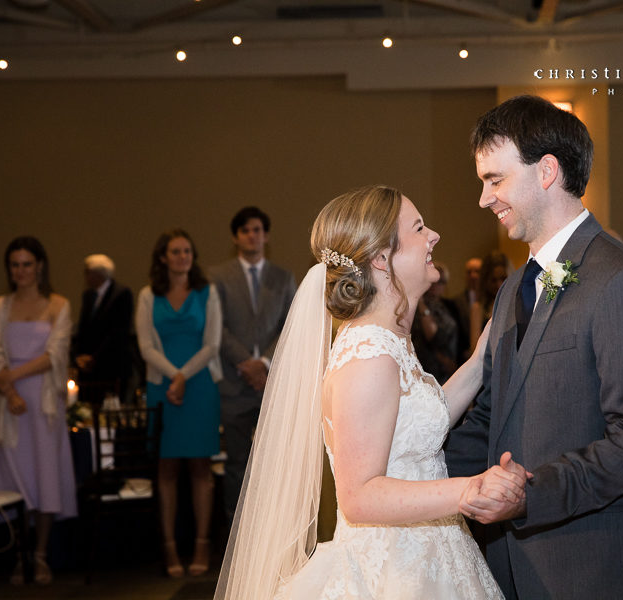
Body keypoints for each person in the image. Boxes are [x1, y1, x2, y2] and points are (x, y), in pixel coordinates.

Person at [215, 185, 529, 600]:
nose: (433, 236)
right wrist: (469, 489)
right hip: (391, 574)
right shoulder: (368, 356)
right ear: (382, 258)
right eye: (418, 228)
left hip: (433, 553)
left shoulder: (388, 341)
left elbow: (421, 421)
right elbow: (360, 495)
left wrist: (480, 359)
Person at [444, 95, 623, 599]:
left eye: (495, 180)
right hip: (511, 565)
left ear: (547, 171)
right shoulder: (514, 288)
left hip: (597, 565)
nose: (484, 199)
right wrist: (414, 475)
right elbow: (492, 416)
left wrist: (527, 497)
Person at [0, 236, 77, 585]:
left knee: (44, 476)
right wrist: (7, 391)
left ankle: (40, 556)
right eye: (15, 265)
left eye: (27, 264)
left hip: (43, 404)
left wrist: (14, 378)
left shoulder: (58, 305)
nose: (21, 271)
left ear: (39, 265)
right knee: (13, 479)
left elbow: (56, 354)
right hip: (9, 407)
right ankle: (19, 555)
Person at [136, 229, 222, 578]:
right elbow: (145, 346)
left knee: (201, 469)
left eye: (187, 251)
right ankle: (170, 548)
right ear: (162, 257)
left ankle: (202, 544)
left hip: (200, 386)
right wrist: (174, 377)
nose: (182, 257)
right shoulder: (147, 295)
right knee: (167, 470)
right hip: (163, 388)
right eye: (175, 251)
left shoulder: (207, 292)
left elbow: (212, 344)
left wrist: (184, 376)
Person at [209, 206, 296, 522]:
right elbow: (216, 327)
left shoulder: (283, 277)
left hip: (273, 381)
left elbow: (292, 323)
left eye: (257, 230)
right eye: (245, 230)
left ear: (266, 236)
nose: (252, 235)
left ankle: (275, 524)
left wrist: (264, 362)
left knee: (276, 459)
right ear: (236, 237)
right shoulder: (217, 277)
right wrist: (247, 363)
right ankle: (236, 527)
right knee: (236, 461)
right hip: (234, 381)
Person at [72, 254, 134, 405]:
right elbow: (83, 329)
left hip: (111, 366)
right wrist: (78, 356)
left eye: (87, 272)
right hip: (88, 370)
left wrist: (94, 358)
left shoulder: (121, 294)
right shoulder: (88, 295)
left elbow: (118, 332)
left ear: (97, 274)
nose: (85, 277)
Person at [412, 261, 461, 383]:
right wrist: (421, 302)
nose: (436, 285)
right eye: (433, 281)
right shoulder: (416, 307)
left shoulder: (449, 305)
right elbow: (433, 337)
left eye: (441, 282)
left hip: (450, 370)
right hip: (428, 370)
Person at [468, 250, 511, 353]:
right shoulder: (478, 308)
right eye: (493, 280)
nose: (499, 285)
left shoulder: (517, 303)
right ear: (485, 281)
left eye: (503, 278)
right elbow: (475, 349)